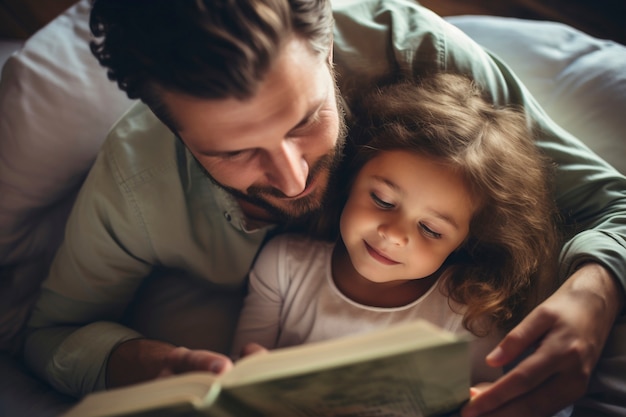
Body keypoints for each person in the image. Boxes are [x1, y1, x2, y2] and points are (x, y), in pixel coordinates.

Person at [20, 1, 625, 417]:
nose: (292, 176)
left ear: (328, 44)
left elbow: (611, 204)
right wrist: (141, 364)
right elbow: (49, 333)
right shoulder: (136, 181)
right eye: (235, 153)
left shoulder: (420, 52)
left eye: (308, 120)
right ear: (166, 124)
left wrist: (594, 293)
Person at [231, 73, 562, 393]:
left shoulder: (464, 313)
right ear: (352, 177)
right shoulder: (284, 266)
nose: (393, 234)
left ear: (466, 241)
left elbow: (478, 396)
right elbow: (241, 371)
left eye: (431, 230)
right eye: (382, 200)